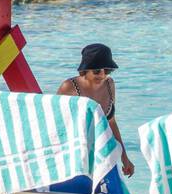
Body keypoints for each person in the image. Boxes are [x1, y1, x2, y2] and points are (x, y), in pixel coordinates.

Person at [57, 43, 135, 177]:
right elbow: (56, 123)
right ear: (85, 70)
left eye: (107, 70)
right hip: (76, 159)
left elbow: (111, 122)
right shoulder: (69, 87)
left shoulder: (110, 85)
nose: (103, 75)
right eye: (97, 71)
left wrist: (124, 157)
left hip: (102, 154)